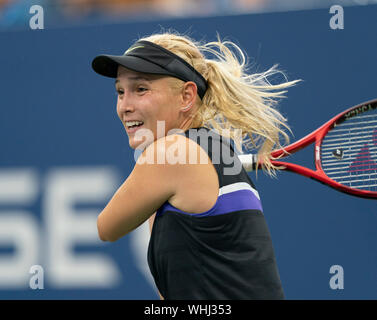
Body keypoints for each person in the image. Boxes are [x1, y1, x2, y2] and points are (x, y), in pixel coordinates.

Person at [91, 32, 299, 300]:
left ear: (187, 97)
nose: (125, 106)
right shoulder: (213, 149)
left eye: (141, 89)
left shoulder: (171, 152)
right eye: (120, 92)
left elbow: (106, 228)